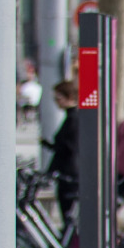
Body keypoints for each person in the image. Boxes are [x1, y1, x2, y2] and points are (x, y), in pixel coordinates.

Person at [47, 77, 82, 221]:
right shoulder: (72, 118)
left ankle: (70, 242)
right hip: (70, 172)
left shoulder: (73, 119)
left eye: (58, 98)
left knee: (67, 214)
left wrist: (50, 170)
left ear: (70, 97)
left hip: (69, 174)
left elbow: (67, 148)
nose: (56, 102)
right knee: (67, 214)